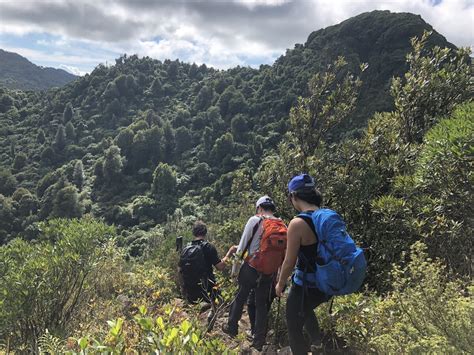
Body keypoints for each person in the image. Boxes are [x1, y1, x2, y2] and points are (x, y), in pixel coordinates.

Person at [275, 174, 331, 355]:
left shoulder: (297, 223)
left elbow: (289, 261)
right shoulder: (327, 217)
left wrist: (280, 284)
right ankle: (317, 343)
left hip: (306, 285)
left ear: (294, 196)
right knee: (305, 309)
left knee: (292, 323)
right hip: (327, 284)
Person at [223, 196, 284, 351]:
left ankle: (232, 328)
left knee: (240, 296)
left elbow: (242, 246)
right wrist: (278, 277)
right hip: (268, 272)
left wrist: (234, 271)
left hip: (251, 267)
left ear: (259, 208)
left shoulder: (255, 220)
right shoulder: (281, 224)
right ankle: (259, 340)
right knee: (261, 304)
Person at [179, 220, 236, 304]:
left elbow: (180, 271)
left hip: (191, 291)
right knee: (225, 303)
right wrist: (230, 252)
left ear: (194, 233)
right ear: (205, 232)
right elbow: (220, 267)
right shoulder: (208, 247)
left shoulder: (186, 248)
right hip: (208, 290)